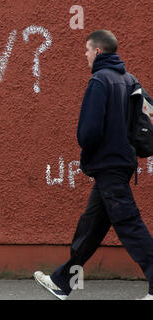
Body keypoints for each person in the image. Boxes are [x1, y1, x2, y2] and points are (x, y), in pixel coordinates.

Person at [34, 30, 153, 300]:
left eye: (87, 50)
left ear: (98, 52)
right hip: (120, 164)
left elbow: (89, 131)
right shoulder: (129, 79)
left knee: (130, 225)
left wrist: (88, 150)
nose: (85, 56)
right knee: (91, 228)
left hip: (109, 164)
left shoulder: (100, 80)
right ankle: (62, 282)